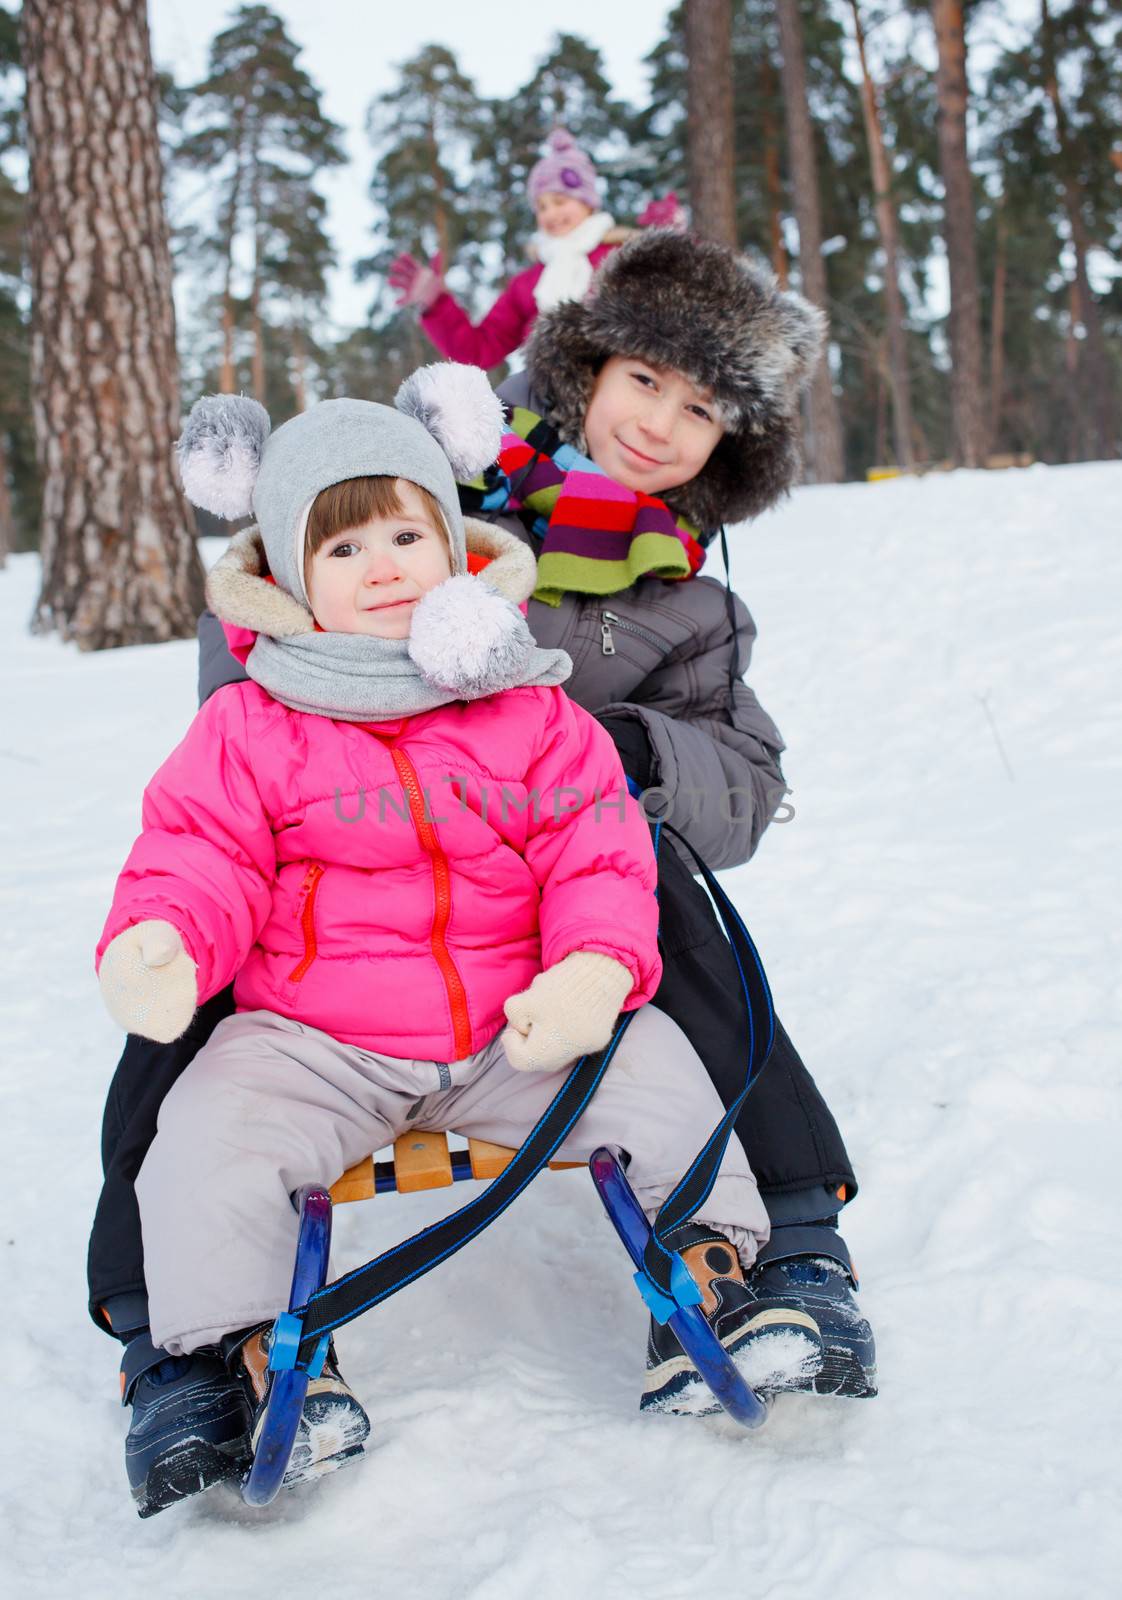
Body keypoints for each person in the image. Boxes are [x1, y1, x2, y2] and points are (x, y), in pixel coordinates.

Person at [95, 363, 821, 1517]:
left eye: (404, 532)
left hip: (511, 1027)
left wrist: (591, 969)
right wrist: (167, 938)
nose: (382, 565)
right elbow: (202, 851)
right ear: (287, 574)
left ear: (455, 542)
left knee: (652, 1074)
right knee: (210, 1131)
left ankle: (714, 1282)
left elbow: (595, 846)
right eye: (343, 550)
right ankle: (247, 1356)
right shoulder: (251, 720)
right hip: (316, 1039)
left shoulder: (529, 706)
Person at [389, 127, 631, 369]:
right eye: (542, 207)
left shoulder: (624, 257)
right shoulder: (527, 284)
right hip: (545, 398)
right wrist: (437, 304)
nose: (551, 214)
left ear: (588, 203)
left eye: (560, 201)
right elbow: (479, 351)